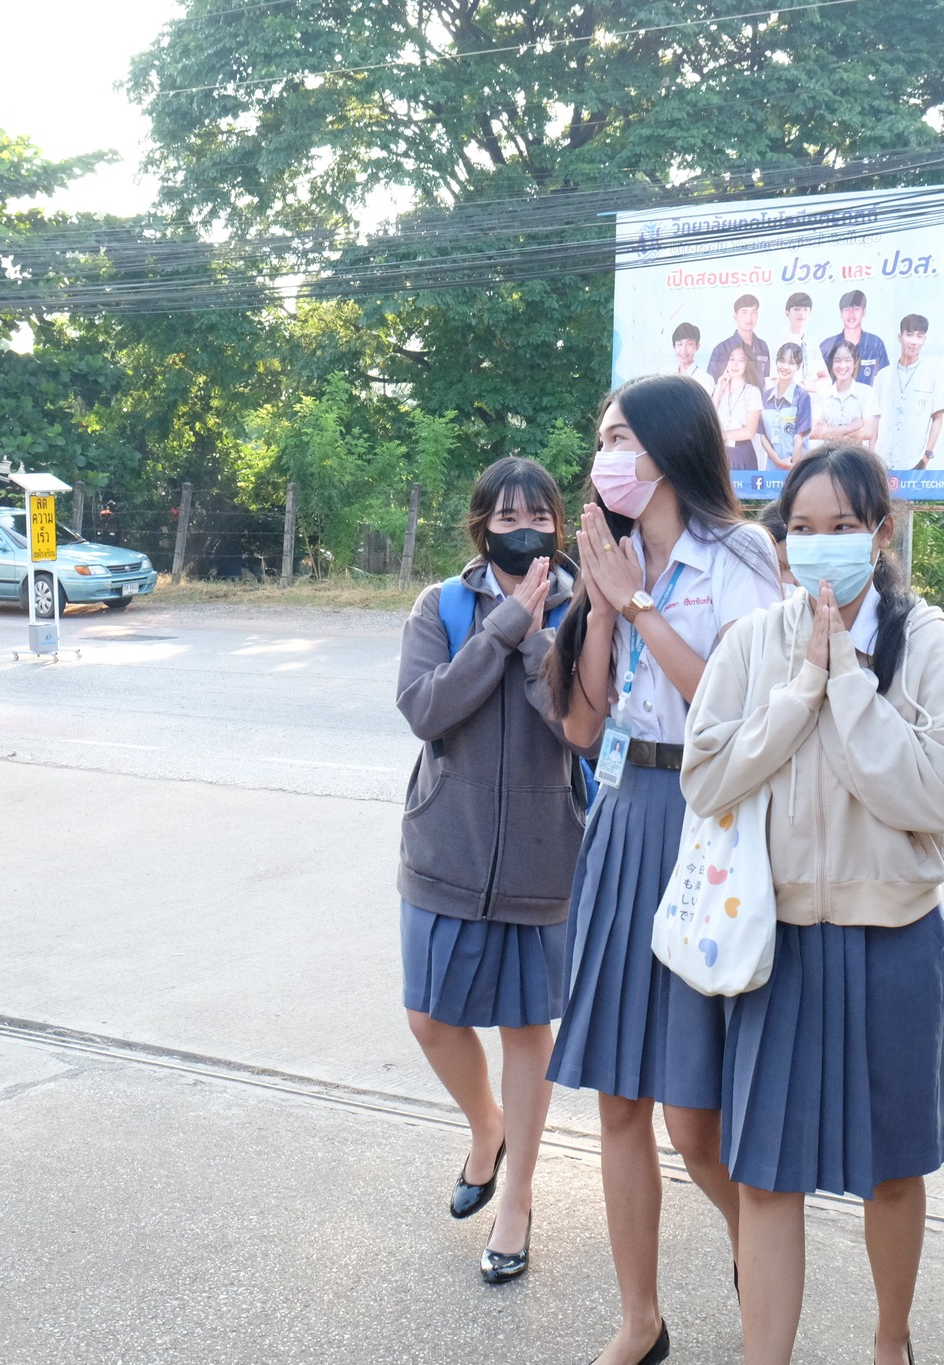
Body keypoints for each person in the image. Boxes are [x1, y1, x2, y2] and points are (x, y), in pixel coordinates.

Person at [681, 444, 944, 1365]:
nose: (821, 548)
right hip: (775, 945)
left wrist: (848, 681)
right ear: (781, 542)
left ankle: (891, 1342)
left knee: (891, 1170)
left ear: (880, 533)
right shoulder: (752, 644)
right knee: (766, 1175)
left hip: (891, 939)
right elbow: (707, 776)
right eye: (803, 530)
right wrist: (800, 688)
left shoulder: (929, 645)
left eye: (844, 529)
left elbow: (936, 797)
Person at [546, 373, 783, 1365]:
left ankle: (760, 1254)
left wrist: (635, 606)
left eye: (620, 437)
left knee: (692, 1118)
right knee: (617, 1100)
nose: (606, 456)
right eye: (599, 438)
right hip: (624, 813)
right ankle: (638, 1319)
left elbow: (729, 709)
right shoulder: (603, 556)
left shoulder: (739, 556)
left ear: (669, 445)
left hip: (708, 817)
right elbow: (581, 721)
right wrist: (597, 611)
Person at [394, 456, 586, 1287]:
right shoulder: (440, 604)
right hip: (446, 848)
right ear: (481, 525)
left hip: (545, 857)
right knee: (429, 1017)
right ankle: (486, 1126)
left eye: (538, 515)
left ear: (559, 525)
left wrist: (541, 630)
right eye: (507, 515)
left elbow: (581, 725)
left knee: (524, 1033)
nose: (523, 528)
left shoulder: (588, 606)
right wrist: (502, 625)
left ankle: (517, 1200)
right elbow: (426, 707)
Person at [876, 315, 944, 470]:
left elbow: (938, 418)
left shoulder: (932, 374)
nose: (914, 341)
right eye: (909, 335)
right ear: (900, 337)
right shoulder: (884, 375)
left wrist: (926, 456)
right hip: (882, 460)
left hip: (914, 462)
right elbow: (874, 418)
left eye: (919, 336)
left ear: (924, 339)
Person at [810, 341, 879, 453]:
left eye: (847, 360)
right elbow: (813, 432)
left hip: (858, 457)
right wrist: (852, 427)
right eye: (837, 360)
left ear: (855, 363)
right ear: (831, 363)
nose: (842, 366)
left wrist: (830, 432)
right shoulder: (821, 395)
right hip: (828, 458)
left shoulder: (867, 392)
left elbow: (868, 431)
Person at [756, 344, 814, 474]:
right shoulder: (766, 396)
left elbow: (799, 437)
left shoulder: (802, 396)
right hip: (772, 466)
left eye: (791, 363)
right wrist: (777, 461)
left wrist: (791, 465)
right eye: (782, 361)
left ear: (798, 367)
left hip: (795, 466)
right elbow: (763, 436)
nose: (785, 367)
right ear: (776, 362)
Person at [711, 340, 766, 473]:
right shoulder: (718, 389)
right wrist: (718, 390)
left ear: (747, 364)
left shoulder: (753, 392)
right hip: (719, 453)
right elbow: (709, 418)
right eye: (731, 359)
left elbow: (749, 431)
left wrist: (719, 435)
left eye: (741, 360)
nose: (735, 364)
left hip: (742, 453)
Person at [818, 290, 890, 387]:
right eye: (847, 309)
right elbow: (818, 383)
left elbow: (885, 382)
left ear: (864, 312)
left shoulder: (875, 344)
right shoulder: (827, 346)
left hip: (869, 401)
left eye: (856, 309)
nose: (851, 314)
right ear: (841, 313)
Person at [706, 294, 770, 382]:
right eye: (744, 312)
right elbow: (711, 384)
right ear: (735, 316)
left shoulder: (762, 346)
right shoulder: (721, 349)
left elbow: (765, 381)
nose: (749, 317)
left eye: (753, 312)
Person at [778, 293, 831, 394]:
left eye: (805, 309)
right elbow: (778, 382)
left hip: (813, 402)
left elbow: (827, 380)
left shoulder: (812, 344)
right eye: (797, 309)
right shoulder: (780, 343)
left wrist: (804, 386)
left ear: (810, 313)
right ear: (787, 313)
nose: (801, 313)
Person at [670, 322, 716, 395]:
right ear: (674, 347)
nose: (684, 350)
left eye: (689, 344)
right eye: (680, 344)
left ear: (697, 346)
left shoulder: (706, 380)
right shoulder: (668, 377)